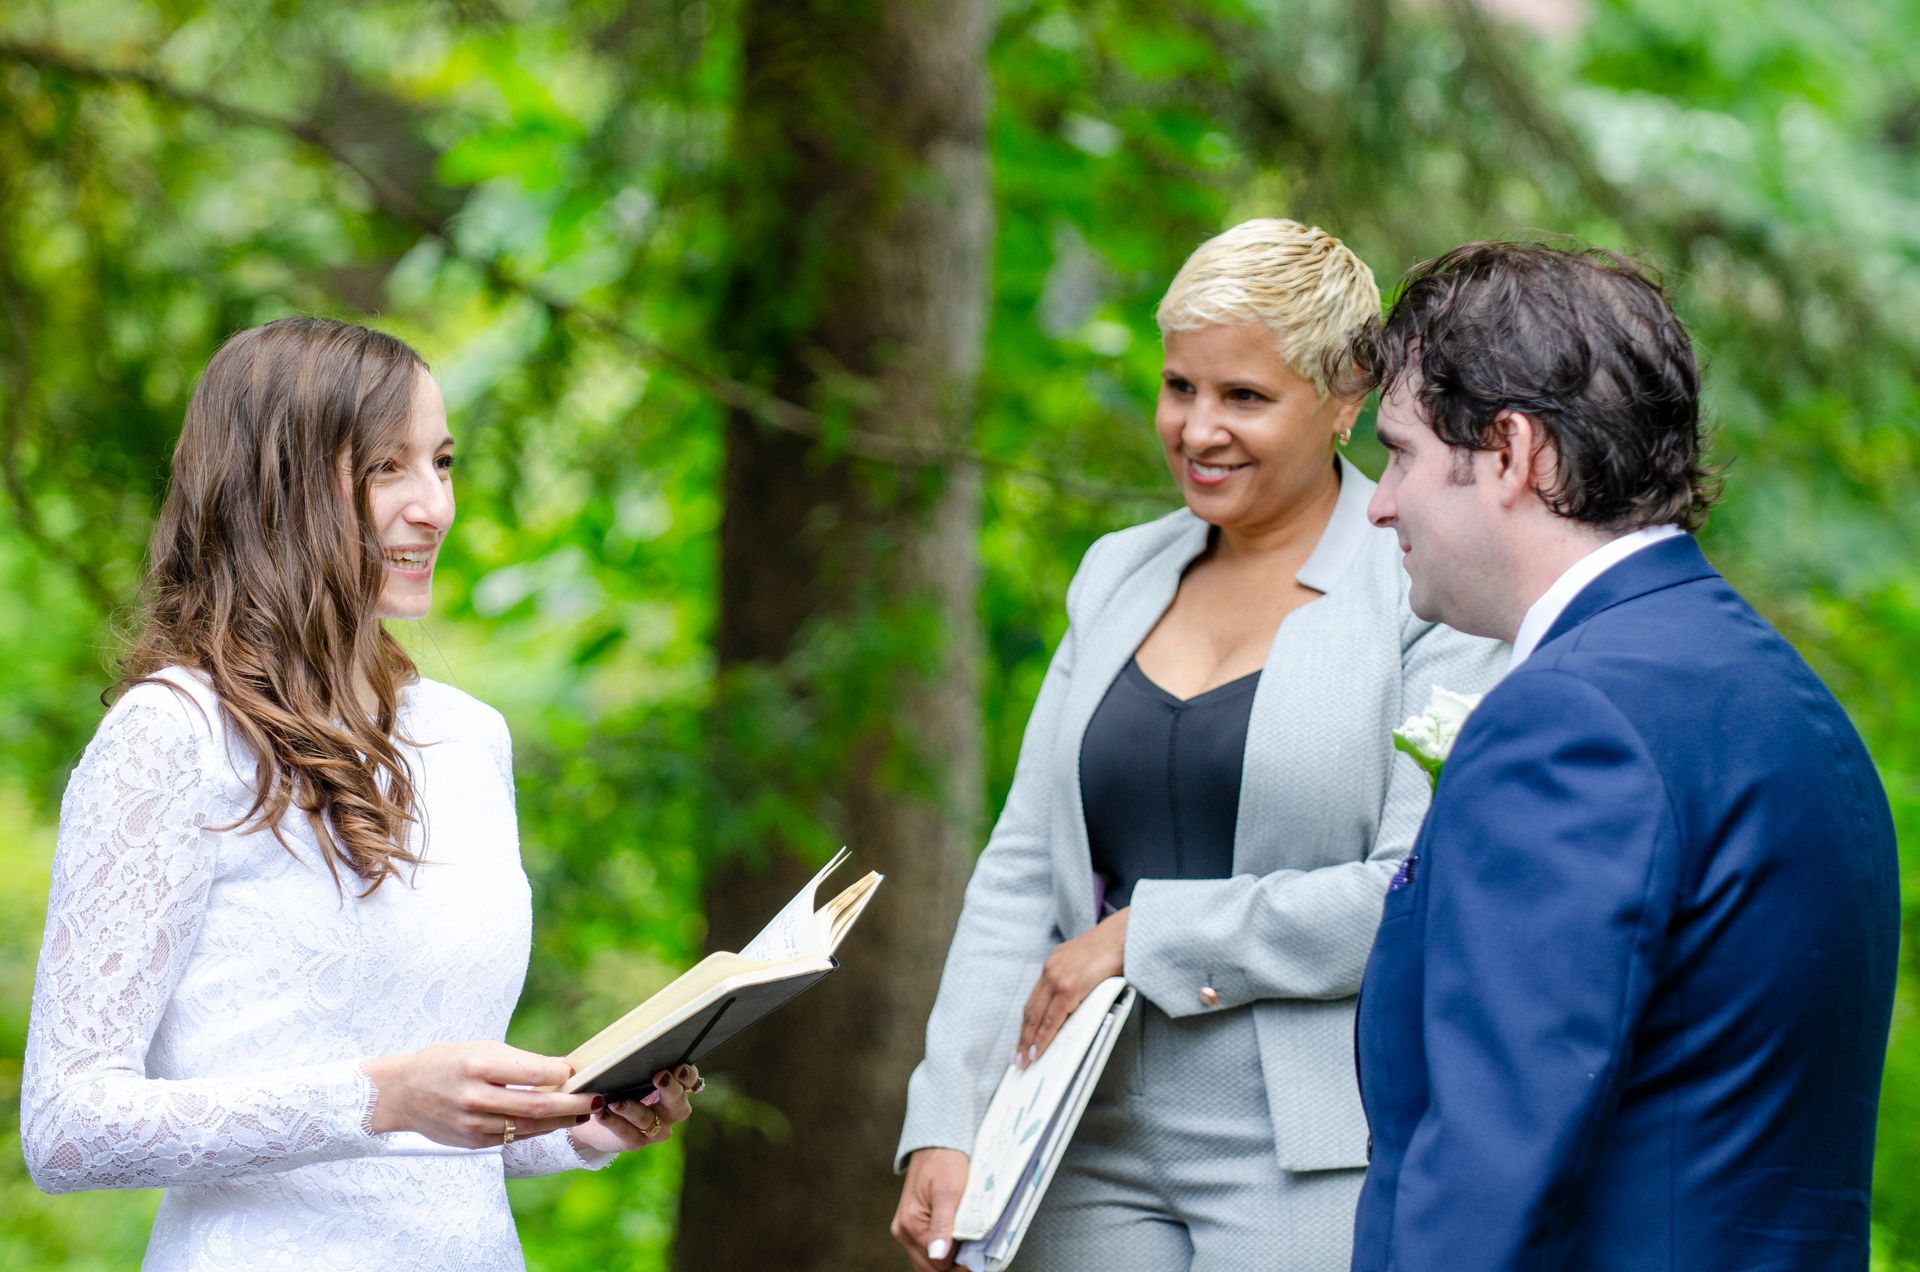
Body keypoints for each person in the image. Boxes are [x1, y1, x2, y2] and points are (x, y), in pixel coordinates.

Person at [889, 219, 1506, 1272]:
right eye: (1182, 388)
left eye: (1246, 398)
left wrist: (1144, 936)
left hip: (1313, 1149)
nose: (1198, 428)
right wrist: (949, 1114)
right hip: (1075, 1133)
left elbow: (1413, 888)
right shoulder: (1117, 575)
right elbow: (1024, 870)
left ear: (1347, 399)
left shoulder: (1421, 593)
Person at [20, 317, 700, 1269]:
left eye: (445, 463)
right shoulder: (172, 735)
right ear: (276, 488)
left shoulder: (466, 737)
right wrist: (383, 1095)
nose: (435, 507)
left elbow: (427, 1138)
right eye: (389, 468)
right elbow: (67, 1127)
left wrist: (581, 1125)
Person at [1349, 242, 1899, 1270]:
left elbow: (1493, 1170)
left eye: (1401, 453)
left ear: (1513, 454)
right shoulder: (1784, 700)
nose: (1379, 503)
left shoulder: (1569, 720)